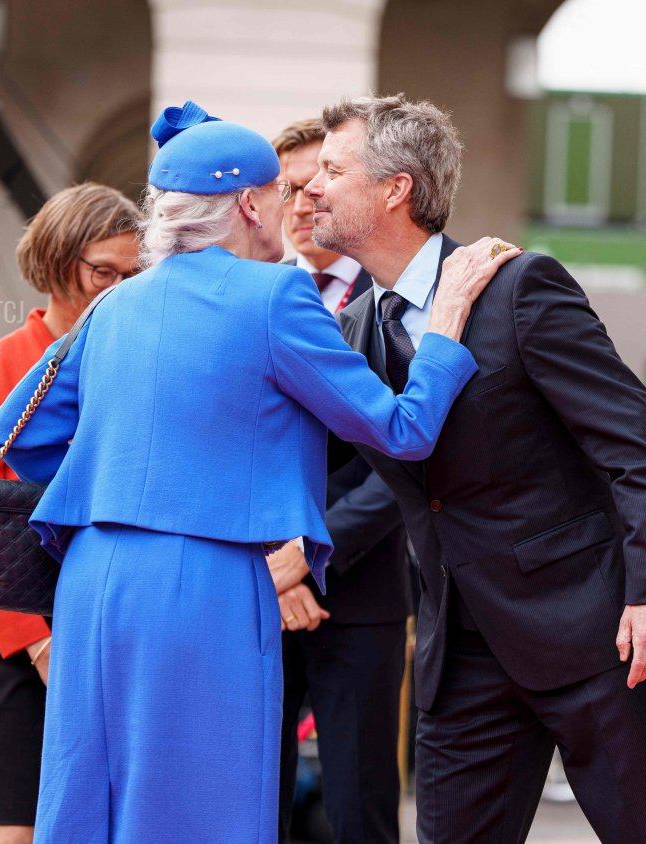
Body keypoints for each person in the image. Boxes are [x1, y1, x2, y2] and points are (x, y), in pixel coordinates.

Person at [0, 101, 517, 844]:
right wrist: (449, 324)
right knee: (201, 803)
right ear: (247, 203)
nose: (295, 205)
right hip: (203, 578)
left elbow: (13, 428)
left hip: (92, 576)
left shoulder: (117, 304)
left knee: (93, 800)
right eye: (282, 193)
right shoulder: (275, 296)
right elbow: (403, 429)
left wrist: (117, 472)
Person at [308, 94, 646, 843]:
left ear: (396, 187)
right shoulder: (348, 331)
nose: (311, 187)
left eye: (332, 170)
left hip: (594, 631)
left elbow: (636, 446)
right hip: (456, 650)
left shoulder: (520, 287)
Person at [0, 183, 141, 844]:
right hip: (12, 617)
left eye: (132, 274)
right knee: (18, 826)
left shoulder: (143, 361)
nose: (117, 288)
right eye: (103, 272)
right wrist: (39, 643)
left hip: (111, 607)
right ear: (59, 264)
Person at [271, 117, 411, 844]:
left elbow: (409, 458)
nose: (303, 201)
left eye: (318, 183)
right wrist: (280, 565)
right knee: (253, 797)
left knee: (359, 806)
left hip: (362, 591)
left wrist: (314, 548)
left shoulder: (398, 303)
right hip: (260, 584)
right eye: (289, 187)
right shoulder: (255, 297)